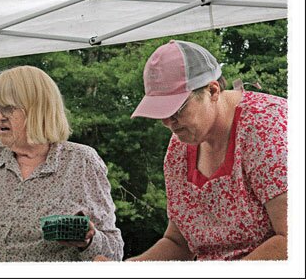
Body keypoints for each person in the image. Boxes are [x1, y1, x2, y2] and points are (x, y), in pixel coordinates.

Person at [95, 40, 287, 261]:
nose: (168, 122)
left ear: (212, 90)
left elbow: (290, 240)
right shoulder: (180, 146)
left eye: (176, 110)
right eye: (161, 113)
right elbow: (178, 242)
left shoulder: (268, 129)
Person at [0, 65, 124, 262]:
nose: (0, 116)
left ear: (38, 110)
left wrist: (88, 241)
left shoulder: (81, 161)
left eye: (8, 108)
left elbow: (113, 251)